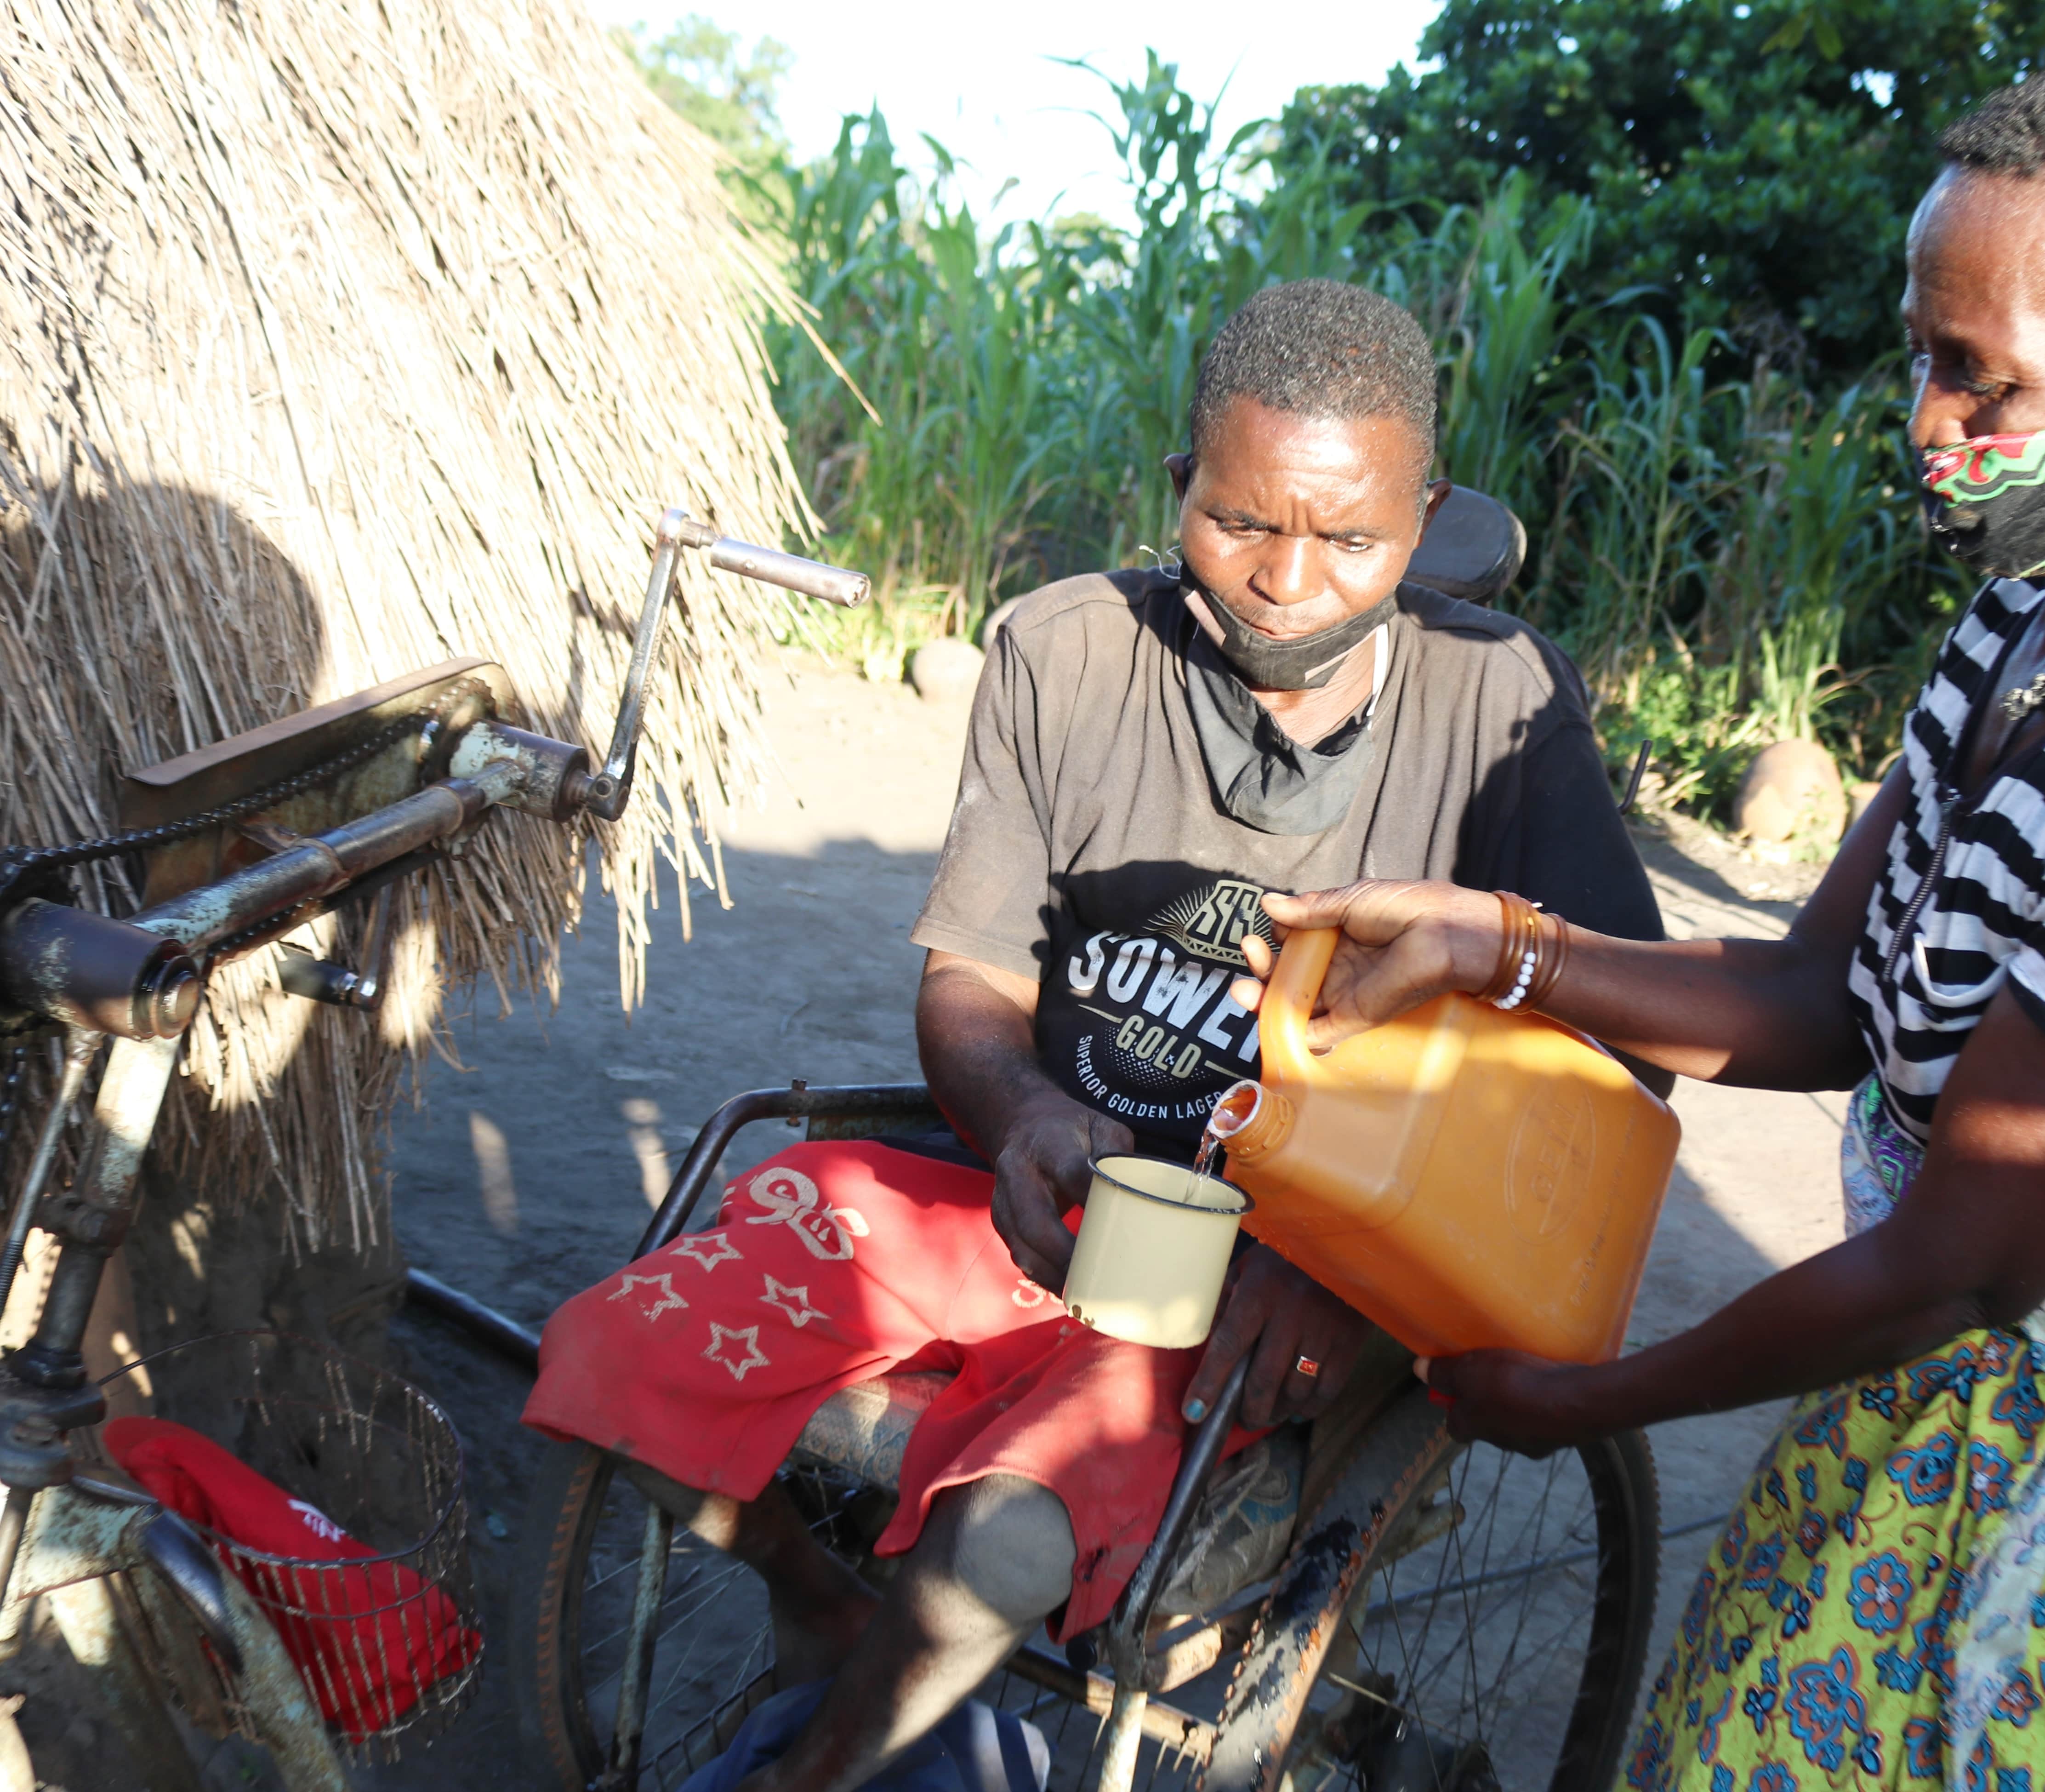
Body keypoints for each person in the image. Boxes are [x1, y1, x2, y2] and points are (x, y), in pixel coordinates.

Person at [1233, 61, 2045, 1792]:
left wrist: (1584, 1396)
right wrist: (1493, 941)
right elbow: (1819, 991)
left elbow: (1964, 1264)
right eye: (1922, 355)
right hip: (1925, 1396)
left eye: (1977, 374)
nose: (1926, 420)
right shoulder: (2017, 634)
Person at [522, 278, 1666, 1791]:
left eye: (1352, 539)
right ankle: (823, 1610)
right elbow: (970, 988)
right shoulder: (1064, 652)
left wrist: (1356, 1281)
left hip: (1277, 1283)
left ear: (1428, 512)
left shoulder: (1498, 706)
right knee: (613, 1343)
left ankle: (809, 1774)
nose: (1285, 581)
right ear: (1178, 483)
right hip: (1037, 1199)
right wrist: (1025, 1116)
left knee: (1003, 1537)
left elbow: (1613, 1057)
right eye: (1238, 522)